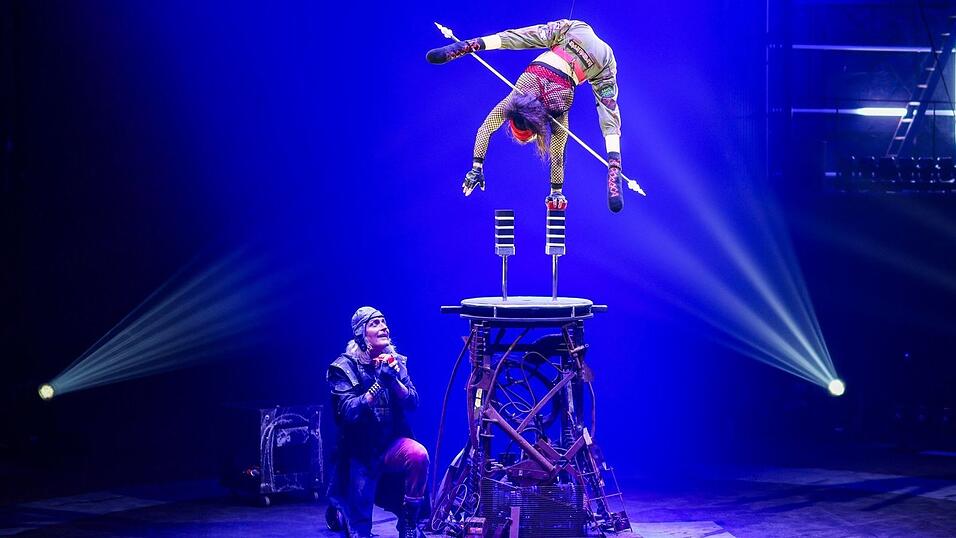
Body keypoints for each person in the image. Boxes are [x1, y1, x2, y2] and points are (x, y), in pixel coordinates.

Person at [427, 19, 626, 213]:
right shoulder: (517, 99)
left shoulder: (550, 112)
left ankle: (613, 165)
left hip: (565, 87)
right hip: (543, 67)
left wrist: (556, 192)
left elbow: (557, 156)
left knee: (596, 117)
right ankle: (474, 43)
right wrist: (475, 167)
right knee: (524, 37)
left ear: (534, 132)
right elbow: (485, 129)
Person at [326, 307, 429, 538]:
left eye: (384, 321)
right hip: (359, 452)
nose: (383, 326)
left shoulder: (395, 362)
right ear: (362, 335)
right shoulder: (344, 367)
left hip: (390, 445)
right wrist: (379, 382)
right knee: (360, 529)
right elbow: (348, 412)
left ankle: (409, 523)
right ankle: (340, 513)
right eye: (375, 324)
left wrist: (392, 380)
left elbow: (413, 402)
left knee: (418, 454)